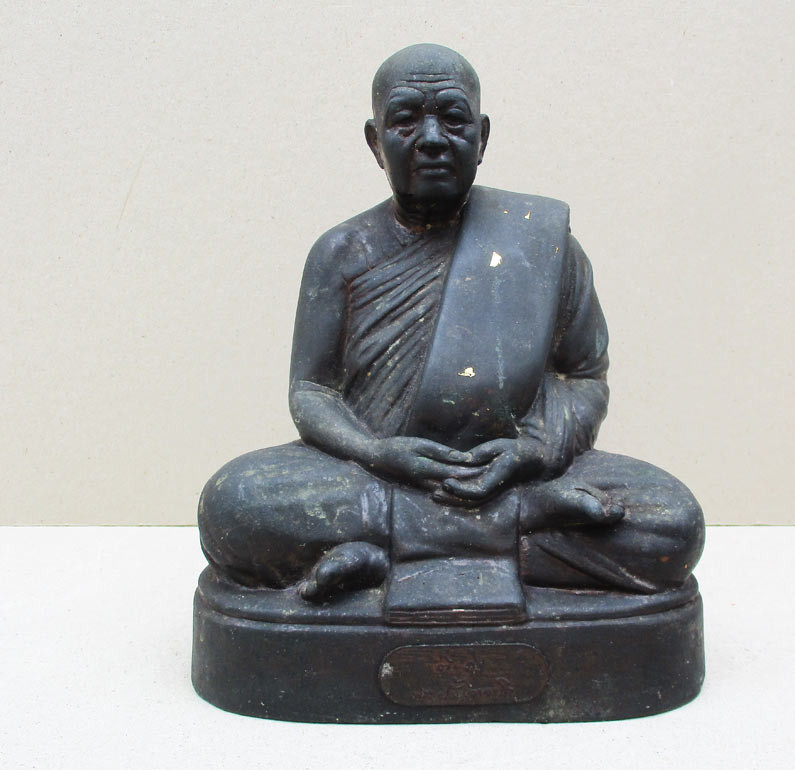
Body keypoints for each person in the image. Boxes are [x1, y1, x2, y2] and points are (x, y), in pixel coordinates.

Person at [198, 44, 704, 603]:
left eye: (453, 119)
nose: (433, 139)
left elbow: (584, 377)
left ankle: (385, 552)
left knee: (672, 522)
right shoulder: (341, 252)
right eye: (406, 120)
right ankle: (520, 523)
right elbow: (313, 391)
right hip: (375, 477)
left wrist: (533, 452)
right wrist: (376, 453)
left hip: (512, 472)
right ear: (375, 141)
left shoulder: (540, 242)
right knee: (233, 504)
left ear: (482, 137)